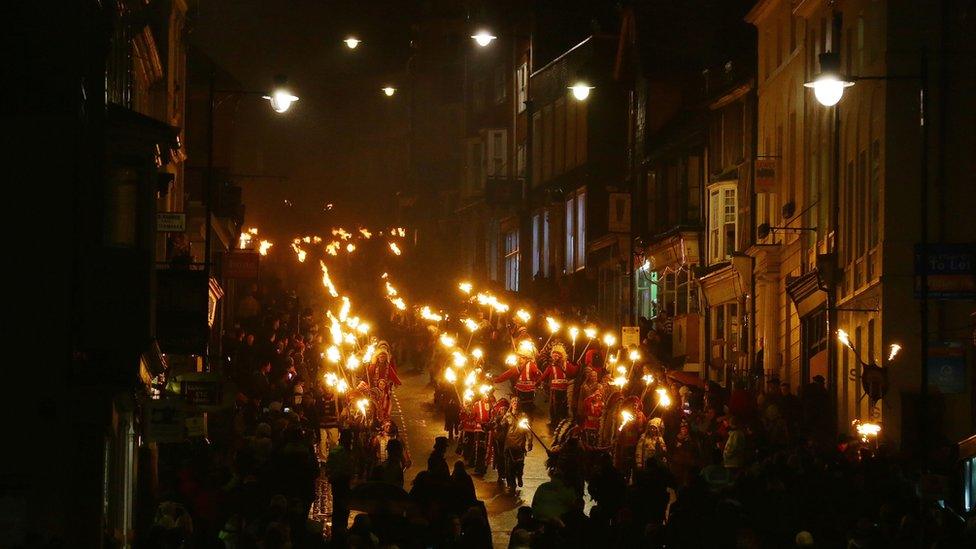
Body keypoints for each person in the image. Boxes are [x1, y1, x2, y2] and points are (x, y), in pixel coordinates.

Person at [493, 347, 542, 416]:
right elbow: (508, 374)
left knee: (527, 407)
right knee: (517, 406)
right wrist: (496, 380)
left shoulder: (531, 365)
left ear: (526, 358)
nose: (519, 359)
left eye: (521, 357)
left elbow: (538, 375)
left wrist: (537, 384)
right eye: (519, 357)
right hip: (519, 391)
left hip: (529, 392)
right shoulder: (517, 367)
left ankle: (528, 420)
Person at [539, 343, 578, 426]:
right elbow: (544, 376)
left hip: (564, 389)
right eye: (554, 354)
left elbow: (574, 372)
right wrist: (536, 383)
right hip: (554, 389)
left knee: (563, 406)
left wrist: (577, 365)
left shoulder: (566, 365)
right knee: (553, 406)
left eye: (557, 355)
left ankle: (561, 421)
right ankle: (554, 421)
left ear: (561, 355)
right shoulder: (551, 366)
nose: (555, 357)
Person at [503, 411, 533, 491]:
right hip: (509, 444)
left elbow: (528, 430)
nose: (515, 403)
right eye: (513, 402)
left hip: (519, 444)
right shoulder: (508, 415)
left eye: (517, 401)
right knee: (509, 466)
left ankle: (519, 476)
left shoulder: (523, 415)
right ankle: (511, 485)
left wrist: (530, 441)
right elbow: (502, 425)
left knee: (519, 464)